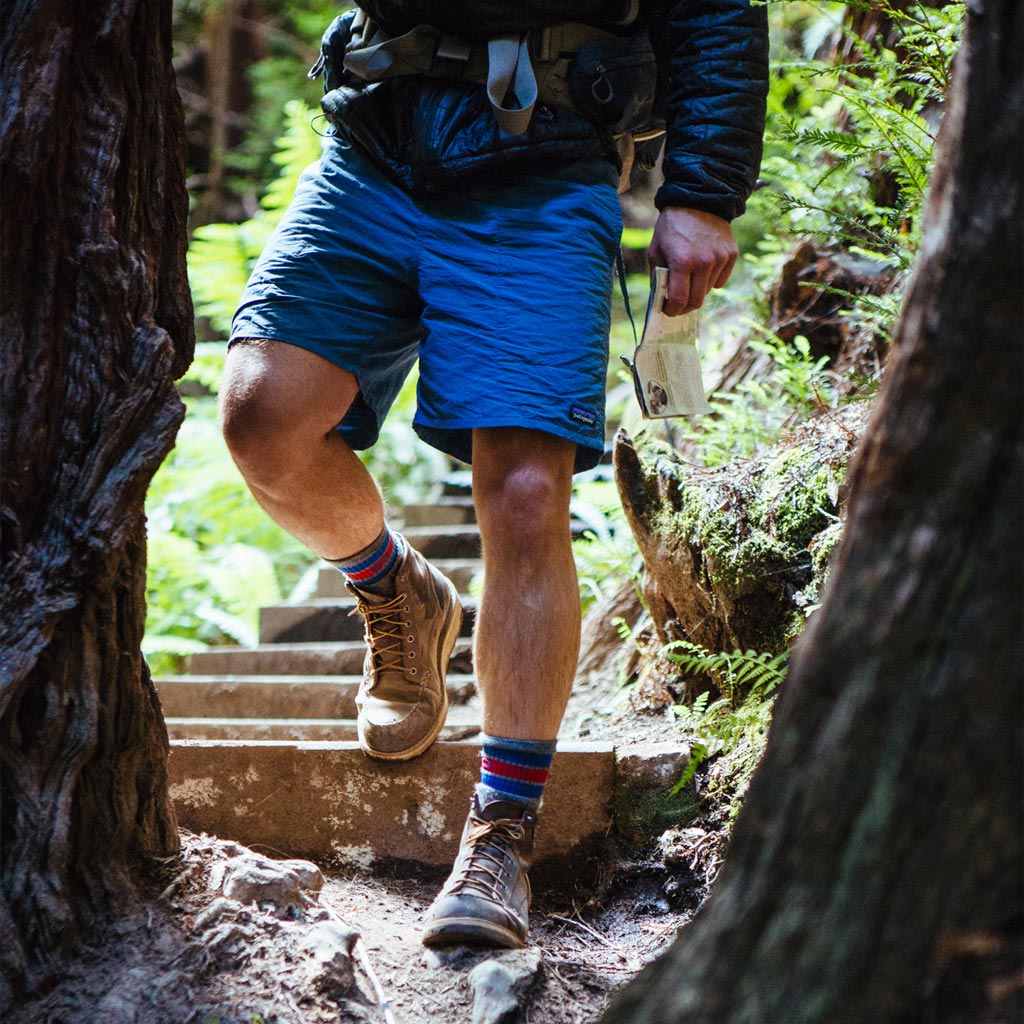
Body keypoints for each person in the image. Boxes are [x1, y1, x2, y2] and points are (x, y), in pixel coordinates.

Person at [219, 0, 767, 950]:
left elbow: (715, 6)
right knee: (264, 420)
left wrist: (704, 190)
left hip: (545, 165)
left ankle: (503, 832)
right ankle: (397, 592)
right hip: (376, 145)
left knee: (524, 492)